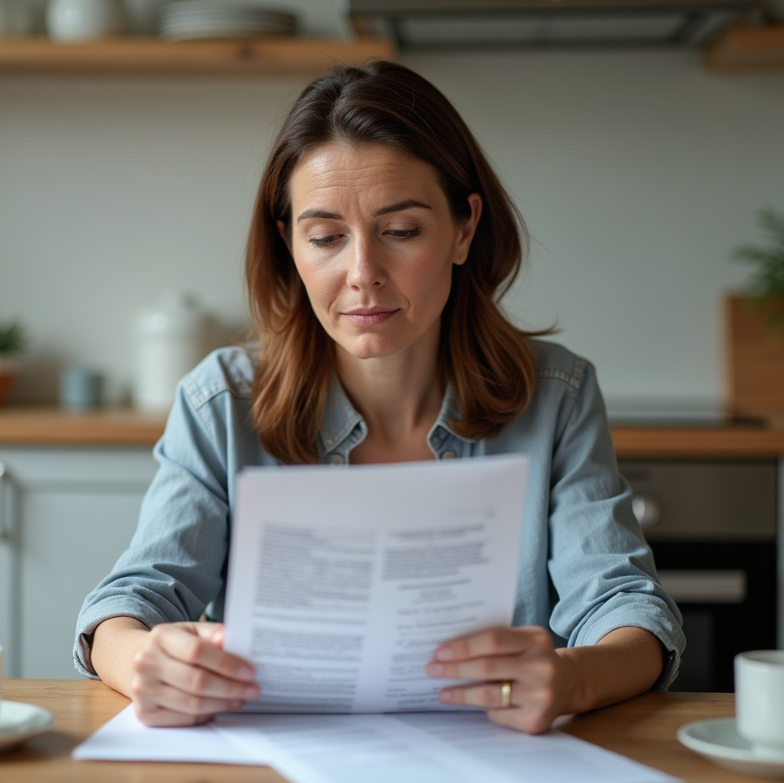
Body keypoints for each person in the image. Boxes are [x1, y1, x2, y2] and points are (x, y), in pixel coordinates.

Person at [75, 61, 685, 735]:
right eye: (326, 237)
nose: (363, 274)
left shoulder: (557, 397)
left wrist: (573, 676)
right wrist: (141, 658)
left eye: (400, 231)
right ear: (290, 246)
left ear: (462, 228)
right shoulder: (221, 402)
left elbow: (627, 606)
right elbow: (131, 600)